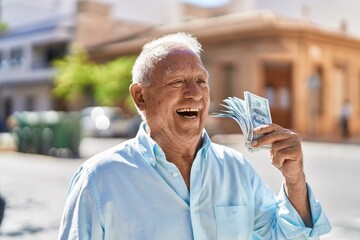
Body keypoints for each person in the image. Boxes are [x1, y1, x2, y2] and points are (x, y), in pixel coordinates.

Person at [58, 32, 331, 239]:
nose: (195, 93)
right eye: (177, 81)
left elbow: (283, 235)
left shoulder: (236, 169)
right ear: (140, 96)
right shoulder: (99, 179)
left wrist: (295, 180)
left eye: (201, 81)